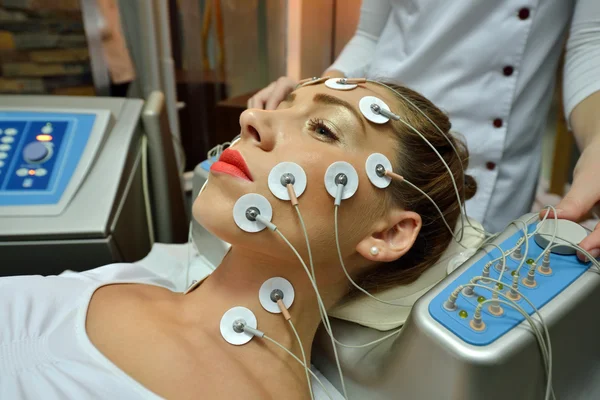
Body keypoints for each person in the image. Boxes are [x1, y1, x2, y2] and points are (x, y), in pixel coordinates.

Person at [1, 80, 475, 399]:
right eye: (285, 107)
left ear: (388, 232)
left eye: (324, 128)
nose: (252, 117)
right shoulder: (126, 278)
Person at [248, 0, 600, 261]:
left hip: (491, 170)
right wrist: (311, 98)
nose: (249, 122)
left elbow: (590, 43)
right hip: (380, 130)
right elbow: (371, 36)